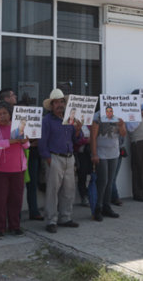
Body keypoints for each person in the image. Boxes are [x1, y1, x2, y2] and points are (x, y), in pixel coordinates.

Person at [39, 89, 82, 233]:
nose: (59, 105)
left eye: (61, 101)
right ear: (51, 105)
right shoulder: (46, 121)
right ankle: (51, 220)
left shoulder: (71, 119)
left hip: (69, 157)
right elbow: (42, 142)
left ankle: (65, 217)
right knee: (52, 191)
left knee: (69, 190)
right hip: (54, 157)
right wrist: (48, 159)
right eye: (56, 102)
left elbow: (77, 139)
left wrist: (77, 130)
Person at [0, 101, 30, 239]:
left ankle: (15, 227)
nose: (2, 116)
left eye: (5, 113)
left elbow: (27, 146)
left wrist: (24, 141)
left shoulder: (18, 126)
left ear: (10, 114)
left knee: (16, 200)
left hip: (17, 170)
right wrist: (9, 142)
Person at [90, 107, 126, 220]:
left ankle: (106, 206)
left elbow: (123, 134)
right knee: (103, 181)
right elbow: (93, 137)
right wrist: (94, 154)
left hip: (114, 153)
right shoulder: (97, 117)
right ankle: (98, 208)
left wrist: (121, 125)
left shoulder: (118, 117)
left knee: (110, 181)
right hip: (102, 153)